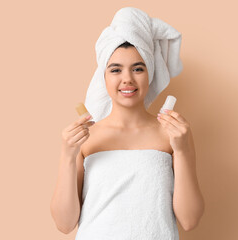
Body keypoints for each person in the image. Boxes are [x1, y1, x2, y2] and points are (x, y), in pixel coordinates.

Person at [50, 7, 204, 240]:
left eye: (138, 68)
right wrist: (67, 155)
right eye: (115, 69)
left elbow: (189, 220)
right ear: (104, 76)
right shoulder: (86, 137)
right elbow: (64, 223)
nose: (127, 79)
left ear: (149, 72)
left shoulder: (172, 135)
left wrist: (181, 151)